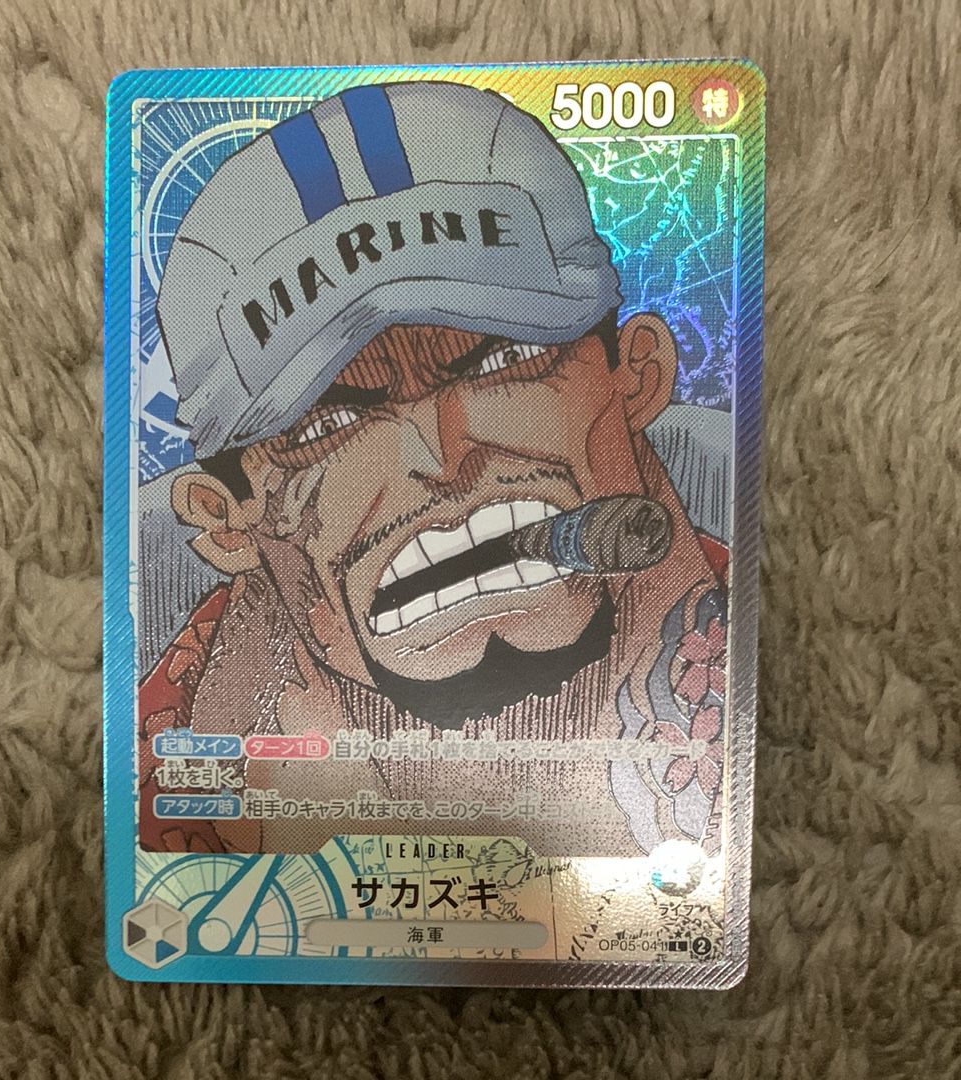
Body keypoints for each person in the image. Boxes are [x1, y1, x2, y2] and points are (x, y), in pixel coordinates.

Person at [138, 81, 728, 857]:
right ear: (227, 523)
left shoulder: (759, 663)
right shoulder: (160, 780)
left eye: (507, 359)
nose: (442, 458)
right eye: (328, 425)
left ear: (636, 377)